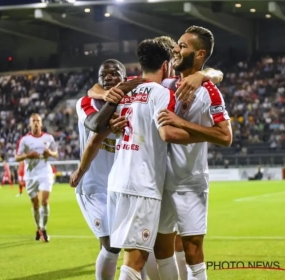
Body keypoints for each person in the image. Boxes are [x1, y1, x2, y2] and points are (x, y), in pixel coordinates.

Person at [87, 35, 224, 280]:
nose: (176, 56)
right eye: (173, 53)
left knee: (149, 253)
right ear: (165, 65)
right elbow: (167, 132)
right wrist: (208, 134)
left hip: (119, 182)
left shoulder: (128, 87)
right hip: (144, 184)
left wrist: (203, 74)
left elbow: (96, 97)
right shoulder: (162, 91)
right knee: (137, 259)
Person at [156, 26, 232, 280]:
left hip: (190, 182)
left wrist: (181, 122)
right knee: (161, 249)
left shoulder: (209, 91)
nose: (176, 49)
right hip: (158, 182)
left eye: (183, 46)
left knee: (192, 250)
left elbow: (225, 136)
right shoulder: (166, 85)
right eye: (177, 44)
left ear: (200, 54)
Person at [70, 59, 141, 280]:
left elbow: (143, 80)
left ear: (124, 76)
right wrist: (109, 112)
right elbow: (95, 125)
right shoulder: (86, 102)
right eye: (103, 74)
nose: (108, 77)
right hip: (93, 186)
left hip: (119, 185)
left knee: (133, 245)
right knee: (111, 246)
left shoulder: (132, 102)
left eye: (114, 73)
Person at [15, 113, 58, 242]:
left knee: (44, 201)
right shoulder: (24, 140)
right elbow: (17, 157)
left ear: (41, 123)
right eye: (33, 121)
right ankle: (38, 227)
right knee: (35, 204)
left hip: (45, 171)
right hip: (30, 175)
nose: (36, 123)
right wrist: (28, 155)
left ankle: (43, 228)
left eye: (38, 121)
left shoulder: (48, 138)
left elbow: (56, 153)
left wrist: (49, 153)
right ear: (30, 124)